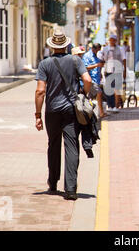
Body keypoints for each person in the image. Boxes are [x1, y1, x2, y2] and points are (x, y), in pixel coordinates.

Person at [35, 27, 92, 201]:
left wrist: (38, 115)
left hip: (52, 111)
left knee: (53, 145)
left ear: (52, 46)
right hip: (70, 110)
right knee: (71, 146)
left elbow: (40, 91)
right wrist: (84, 93)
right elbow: (88, 80)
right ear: (66, 45)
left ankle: (53, 183)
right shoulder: (75, 61)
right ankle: (71, 189)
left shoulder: (45, 64)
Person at [97, 35, 126, 113]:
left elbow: (124, 60)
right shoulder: (105, 49)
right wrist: (99, 71)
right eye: (111, 40)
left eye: (113, 40)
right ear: (109, 41)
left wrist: (124, 71)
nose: (112, 41)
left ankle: (116, 106)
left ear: (116, 41)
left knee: (116, 89)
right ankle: (110, 106)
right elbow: (101, 59)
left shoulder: (120, 49)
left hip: (118, 70)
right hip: (108, 70)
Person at [83, 43, 108, 118]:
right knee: (99, 93)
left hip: (96, 79)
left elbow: (97, 66)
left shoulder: (96, 55)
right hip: (91, 79)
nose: (98, 52)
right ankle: (101, 112)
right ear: (93, 49)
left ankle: (89, 113)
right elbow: (85, 67)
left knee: (89, 97)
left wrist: (100, 73)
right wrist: (97, 65)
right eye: (97, 50)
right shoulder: (87, 56)